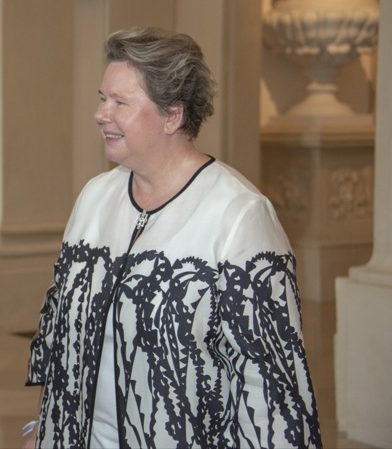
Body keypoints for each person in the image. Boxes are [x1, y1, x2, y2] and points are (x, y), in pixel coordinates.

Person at [24, 27, 321, 448]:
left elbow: (268, 385)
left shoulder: (239, 216)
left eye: (120, 102)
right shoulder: (94, 197)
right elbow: (60, 331)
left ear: (173, 116)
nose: (100, 113)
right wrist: (43, 425)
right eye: (102, 98)